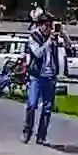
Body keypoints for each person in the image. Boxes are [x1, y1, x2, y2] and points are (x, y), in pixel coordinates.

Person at [21, 13, 65, 145]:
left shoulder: (54, 37)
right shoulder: (34, 37)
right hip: (37, 76)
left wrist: (63, 34)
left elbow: (68, 46)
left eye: (50, 25)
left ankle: (41, 135)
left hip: (50, 75)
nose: (49, 28)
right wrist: (48, 42)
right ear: (40, 25)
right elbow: (38, 53)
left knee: (47, 107)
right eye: (46, 25)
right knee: (32, 104)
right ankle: (27, 131)